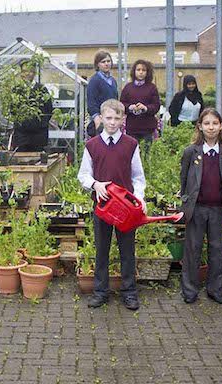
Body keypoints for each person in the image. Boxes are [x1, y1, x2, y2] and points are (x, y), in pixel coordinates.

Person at [77, 99, 146, 310]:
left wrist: (140, 199)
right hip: (103, 207)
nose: (113, 122)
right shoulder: (92, 145)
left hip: (125, 209)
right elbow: (83, 175)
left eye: (117, 118)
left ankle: (129, 292)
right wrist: (95, 184)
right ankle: (100, 292)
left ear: (124, 119)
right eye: (108, 118)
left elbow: (138, 177)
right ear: (101, 118)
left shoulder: (131, 144)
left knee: (127, 251)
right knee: (102, 250)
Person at [180, 108, 222, 304]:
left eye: (215, 123)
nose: (211, 127)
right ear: (200, 127)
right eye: (207, 123)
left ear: (221, 126)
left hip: (217, 208)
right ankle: (190, 290)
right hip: (197, 209)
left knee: (217, 249)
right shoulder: (190, 152)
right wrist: (185, 205)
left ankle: (215, 289)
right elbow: (183, 181)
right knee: (193, 249)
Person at [11, 61, 53, 152]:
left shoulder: (42, 89)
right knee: (20, 160)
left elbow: (49, 109)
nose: (27, 74)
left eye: (30, 71)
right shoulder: (16, 90)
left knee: (38, 161)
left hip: (39, 135)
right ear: (21, 73)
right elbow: (12, 109)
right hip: (21, 135)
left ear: (34, 72)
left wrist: (41, 124)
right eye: (24, 71)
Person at [119, 59, 161, 144]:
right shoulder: (128, 87)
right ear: (134, 71)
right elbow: (121, 104)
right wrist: (130, 107)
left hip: (147, 128)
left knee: (146, 154)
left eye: (143, 70)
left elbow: (156, 106)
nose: (141, 72)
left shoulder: (152, 88)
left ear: (147, 72)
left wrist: (145, 108)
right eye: (138, 70)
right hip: (132, 128)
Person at [86, 50, 118, 137]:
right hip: (100, 120)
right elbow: (91, 102)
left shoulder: (113, 81)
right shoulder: (94, 80)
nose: (106, 64)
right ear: (98, 64)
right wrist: (96, 118)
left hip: (112, 119)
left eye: (108, 61)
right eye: (103, 62)